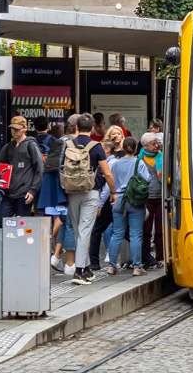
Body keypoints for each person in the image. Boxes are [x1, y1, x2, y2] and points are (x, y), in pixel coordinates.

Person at [65, 113, 116, 285]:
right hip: (90, 191)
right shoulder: (97, 147)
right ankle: (79, 272)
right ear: (93, 128)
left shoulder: (68, 144)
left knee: (78, 229)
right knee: (85, 230)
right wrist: (113, 192)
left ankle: (86, 268)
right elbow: (107, 173)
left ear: (77, 127)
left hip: (71, 191)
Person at [106, 136, 150, 276]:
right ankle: (137, 267)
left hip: (118, 200)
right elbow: (147, 179)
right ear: (136, 148)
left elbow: (111, 180)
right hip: (135, 201)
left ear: (123, 148)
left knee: (117, 233)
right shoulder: (139, 163)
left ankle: (112, 266)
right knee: (135, 234)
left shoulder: (116, 164)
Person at [38, 121, 73, 275]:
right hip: (63, 184)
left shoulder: (55, 143)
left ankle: (55, 252)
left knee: (60, 218)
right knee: (66, 220)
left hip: (49, 182)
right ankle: (69, 262)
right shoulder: (67, 143)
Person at [0, 116, 43, 217]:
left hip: (24, 194)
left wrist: (33, 190)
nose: (14, 131)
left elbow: (39, 168)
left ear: (25, 128)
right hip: (9, 193)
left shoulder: (31, 145)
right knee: (1, 222)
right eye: (12, 128)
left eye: (17, 129)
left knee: (21, 227)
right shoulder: (9, 147)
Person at [89, 138, 118, 270]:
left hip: (109, 201)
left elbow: (107, 186)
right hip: (115, 200)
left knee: (96, 230)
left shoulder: (109, 164)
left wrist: (100, 204)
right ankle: (146, 257)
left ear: (107, 149)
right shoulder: (114, 162)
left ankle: (94, 262)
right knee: (126, 231)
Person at [139, 132, 165, 267]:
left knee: (160, 229)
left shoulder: (162, 157)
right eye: (153, 144)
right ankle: (147, 257)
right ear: (145, 146)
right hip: (146, 198)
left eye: (157, 143)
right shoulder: (140, 159)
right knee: (146, 229)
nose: (156, 146)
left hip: (160, 196)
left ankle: (160, 257)